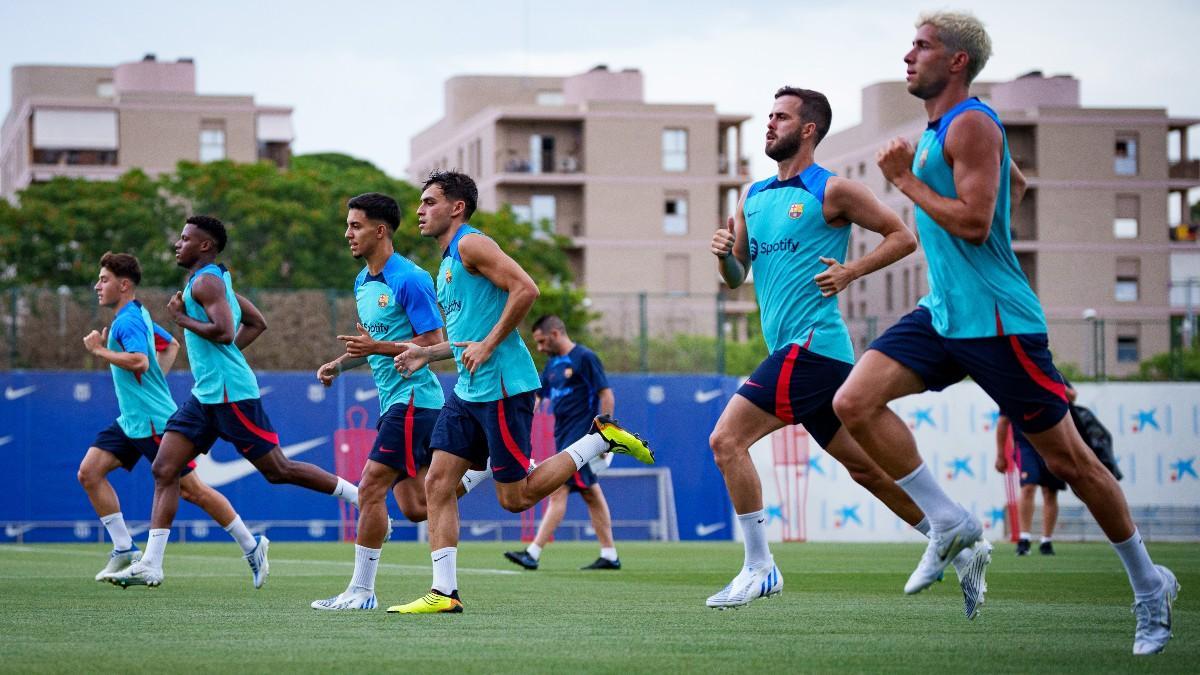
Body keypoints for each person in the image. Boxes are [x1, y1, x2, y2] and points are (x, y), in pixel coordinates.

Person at [832, 11, 1178, 654]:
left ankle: (1150, 585)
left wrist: (905, 182)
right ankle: (951, 521)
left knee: (1071, 461)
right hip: (944, 313)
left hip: (998, 322)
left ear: (957, 61)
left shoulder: (970, 122)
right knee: (853, 401)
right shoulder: (943, 129)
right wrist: (944, 189)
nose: (908, 56)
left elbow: (972, 222)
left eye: (922, 46)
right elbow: (1014, 187)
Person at [707, 85, 989, 617]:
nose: (769, 125)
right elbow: (736, 276)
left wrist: (851, 270)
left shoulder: (833, 189)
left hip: (813, 348)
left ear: (808, 129)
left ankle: (760, 567)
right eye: (768, 116)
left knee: (726, 440)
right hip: (809, 355)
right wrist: (723, 257)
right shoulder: (752, 196)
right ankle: (960, 543)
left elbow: (902, 236)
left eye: (781, 117)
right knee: (869, 472)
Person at [387, 170, 653, 614]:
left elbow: (527, 289)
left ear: (457, 208)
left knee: (516, 498)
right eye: (420, 202)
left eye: (430, 201)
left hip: (505, 389)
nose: (419, 210)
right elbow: (464, 338)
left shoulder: (472, 243)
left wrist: (491, 343)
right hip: (468, 392)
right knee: (436, 483)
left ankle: (600, 438)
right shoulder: (448, 262)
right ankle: (444, 593)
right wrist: (426, 354)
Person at [110, 216, 360, 588]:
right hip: (206, 394)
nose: (177, 245)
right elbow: (256, 322)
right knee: (164, 469)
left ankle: (361, 497)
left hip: (231, 395)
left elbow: (225, 332)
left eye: (184, 239)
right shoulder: (210, 281)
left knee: (279, 471)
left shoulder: (208, 282)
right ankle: (151, 563)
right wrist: (223, 357)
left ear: (205, 246)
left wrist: (180, 319)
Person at [80, 252, 264, 586]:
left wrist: (100, 351)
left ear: (124, 285)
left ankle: (252, 546)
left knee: (194, 491)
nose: (97, 286)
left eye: (103, 279)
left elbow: (139, 362)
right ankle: (123, 547)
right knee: (89, 472)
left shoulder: (128, 321)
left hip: (153, 420)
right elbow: (170, 346)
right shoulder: (138, 315)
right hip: (132, 419)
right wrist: (151, 385)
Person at [307, 193, 448, 610]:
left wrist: (377, 347)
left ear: (380, 230)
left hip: (414, 401)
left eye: (355, 225)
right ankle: (486, 469)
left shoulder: (410, 278)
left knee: (369, 487)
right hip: (395, 404)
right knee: (417, 506)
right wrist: (336, 364)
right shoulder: (362, 281)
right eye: (348, 226)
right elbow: (372, 346)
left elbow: (434, 344)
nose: (347, 234)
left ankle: (361, 592)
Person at [504, 315, 621, 572]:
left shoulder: (584, 358)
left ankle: (533, 553)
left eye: (542, 340)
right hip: (564, 435)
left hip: (582, 437)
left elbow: (606, 394)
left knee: (558, 491)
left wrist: (606, 434)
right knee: (591, 493)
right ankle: (610, 554)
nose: (540, 347)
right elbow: (538, 397)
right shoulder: (553, 365)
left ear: (556, 333)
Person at [995, 383, 1079, 556]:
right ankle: (1024, 538)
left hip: (1053, 442)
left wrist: (1048, 383)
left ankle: (1046, 541)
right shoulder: (1011, 381)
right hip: (1025, 444)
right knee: (1028, 487)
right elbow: (1003, 421)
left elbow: (1072, 396)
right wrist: (1000, 454)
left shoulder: (1050, 374)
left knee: (1050, 491)